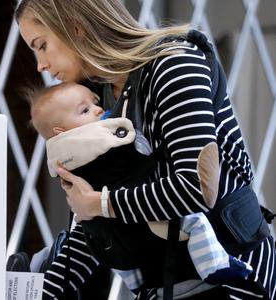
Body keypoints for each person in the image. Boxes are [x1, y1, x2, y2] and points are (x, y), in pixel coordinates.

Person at [15, 0, 275, 299]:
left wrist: (101, 203)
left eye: (41, 45)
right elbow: (90, 215)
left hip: (232, 277)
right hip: (164, 282)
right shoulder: (96, 97)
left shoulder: (174, 63)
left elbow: (198, 188)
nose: (40, 65)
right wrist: (45, 290)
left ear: (75, 28)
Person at [28, 81, 253, 293]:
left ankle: (137, 285)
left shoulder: (65, 164)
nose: (98, 110)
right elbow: (142, 152)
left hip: (113, 237)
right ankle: (215, 264)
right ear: (61, 132)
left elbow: (85, 222)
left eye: (94, 103)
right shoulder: (105, 141)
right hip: (148, 219)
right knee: (193, 220)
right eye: (84, 111)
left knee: (110, 251)